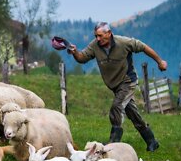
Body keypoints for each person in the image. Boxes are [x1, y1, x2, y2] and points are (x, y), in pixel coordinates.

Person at [61, 22, 166, 151]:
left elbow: (144, 47)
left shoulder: (124, 42)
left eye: (100, 35)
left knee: (116, 107)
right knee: (132, 114)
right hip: (115, 85)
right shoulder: (95, 46)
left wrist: (160, 61)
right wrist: (75, 52)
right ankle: (151, 141)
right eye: (96, 36)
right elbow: (82, 58)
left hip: (128, 81)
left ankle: (113, 142)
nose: (98, 39)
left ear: (109, 33)